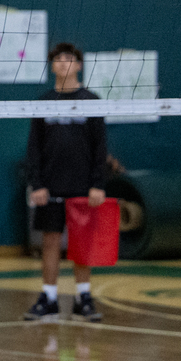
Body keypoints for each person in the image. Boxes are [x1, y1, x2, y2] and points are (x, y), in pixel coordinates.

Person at [23, 43, 109, 324]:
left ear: (79, 65)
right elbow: (33, 147)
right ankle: (48, 297)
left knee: (82, 244)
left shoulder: (92, 101)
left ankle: (84, 297)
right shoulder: (43, 101)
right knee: (50, 242)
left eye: (69, 59)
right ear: (52, 66)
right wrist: (37, 184)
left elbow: (100, 147)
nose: (63, 63)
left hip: (84, 187)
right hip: (50, 186)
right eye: (57, 59)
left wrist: (98, 183)